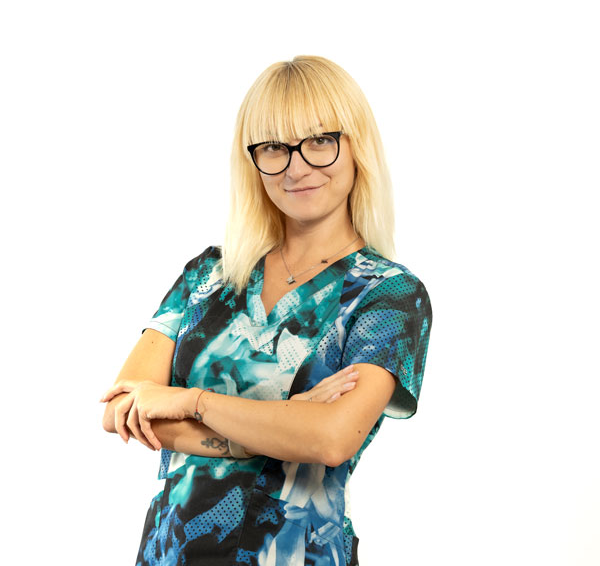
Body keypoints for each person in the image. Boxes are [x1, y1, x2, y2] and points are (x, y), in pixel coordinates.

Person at [100, 55, 433, 566]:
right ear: (252, 161)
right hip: (169, 554)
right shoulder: (208, 275)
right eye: (274, 147)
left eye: (319, 141)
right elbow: (124, 409)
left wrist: (191, 401)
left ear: (356, 146)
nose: (297, 167)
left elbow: (330, 439)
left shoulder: (388, 295)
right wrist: (281, 427)